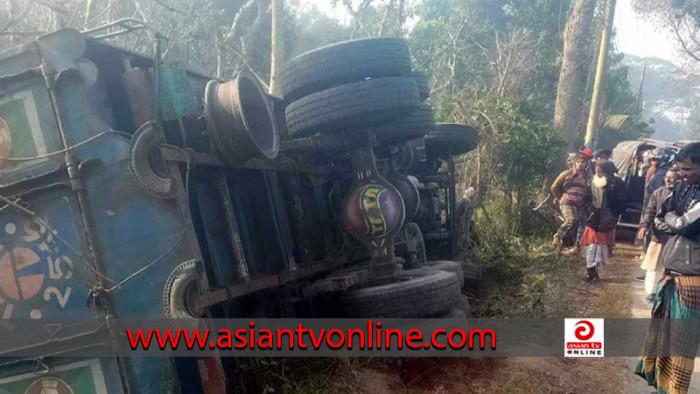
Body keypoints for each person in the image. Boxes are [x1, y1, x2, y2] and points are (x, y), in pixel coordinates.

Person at [635, 142, 700, 394]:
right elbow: (661, 219)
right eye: (680, 169)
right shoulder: (685, 188)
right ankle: (664, 388)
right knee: (664, 341)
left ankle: (675, 391)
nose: (682, 175)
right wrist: (671, 221)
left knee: (681, 346)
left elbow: (684, 224)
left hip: (692, 280)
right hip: (674, 275)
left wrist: (672, 221)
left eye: (687, 169)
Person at [579, 160, 628, 283]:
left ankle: (597, 271)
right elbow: (585, 200)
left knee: (601, 247)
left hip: (607, 220)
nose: (597, 171)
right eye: (596, 168)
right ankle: (590, 271)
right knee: (593, 246)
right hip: (593, 219)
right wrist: (590, 212)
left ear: (608, 171)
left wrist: (612, 214)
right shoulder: (591, 182)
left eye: (600, 169)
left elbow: (623, 203)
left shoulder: (617, 183)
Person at [636, 168, 678, 302]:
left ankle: (668, 294)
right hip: (658, 235)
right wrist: (644, 226)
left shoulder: (682, 194)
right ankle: (652, 292)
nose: (668, 179)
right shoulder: (658, 193)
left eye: (672, 177)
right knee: (654, 266)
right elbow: (649, 211)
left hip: (675, 236)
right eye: (667, 177)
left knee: (671, 268)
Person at [550, 153, 590, 250]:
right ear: (575, 163)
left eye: (583, 162)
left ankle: (575, 245)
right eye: (578, 162)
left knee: (581, 223)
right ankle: (558, 236)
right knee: (570, 220)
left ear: (586, 164)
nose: (580, 164)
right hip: (567, 201)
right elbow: (554, 187)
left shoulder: (587, 177)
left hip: (579, 203)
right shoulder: (567, 174)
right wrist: (560, 198)